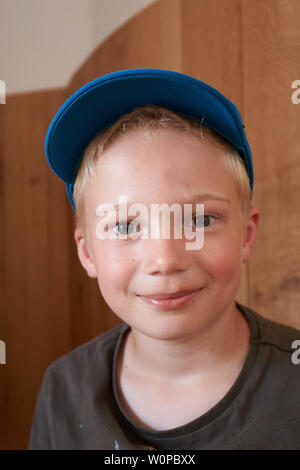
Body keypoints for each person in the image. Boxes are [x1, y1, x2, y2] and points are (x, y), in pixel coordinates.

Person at [28, 68, 300, 450]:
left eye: (201, 220)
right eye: (124, 227)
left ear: (246, 236)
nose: (165, 260)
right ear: (88, 253)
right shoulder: (64, 388)